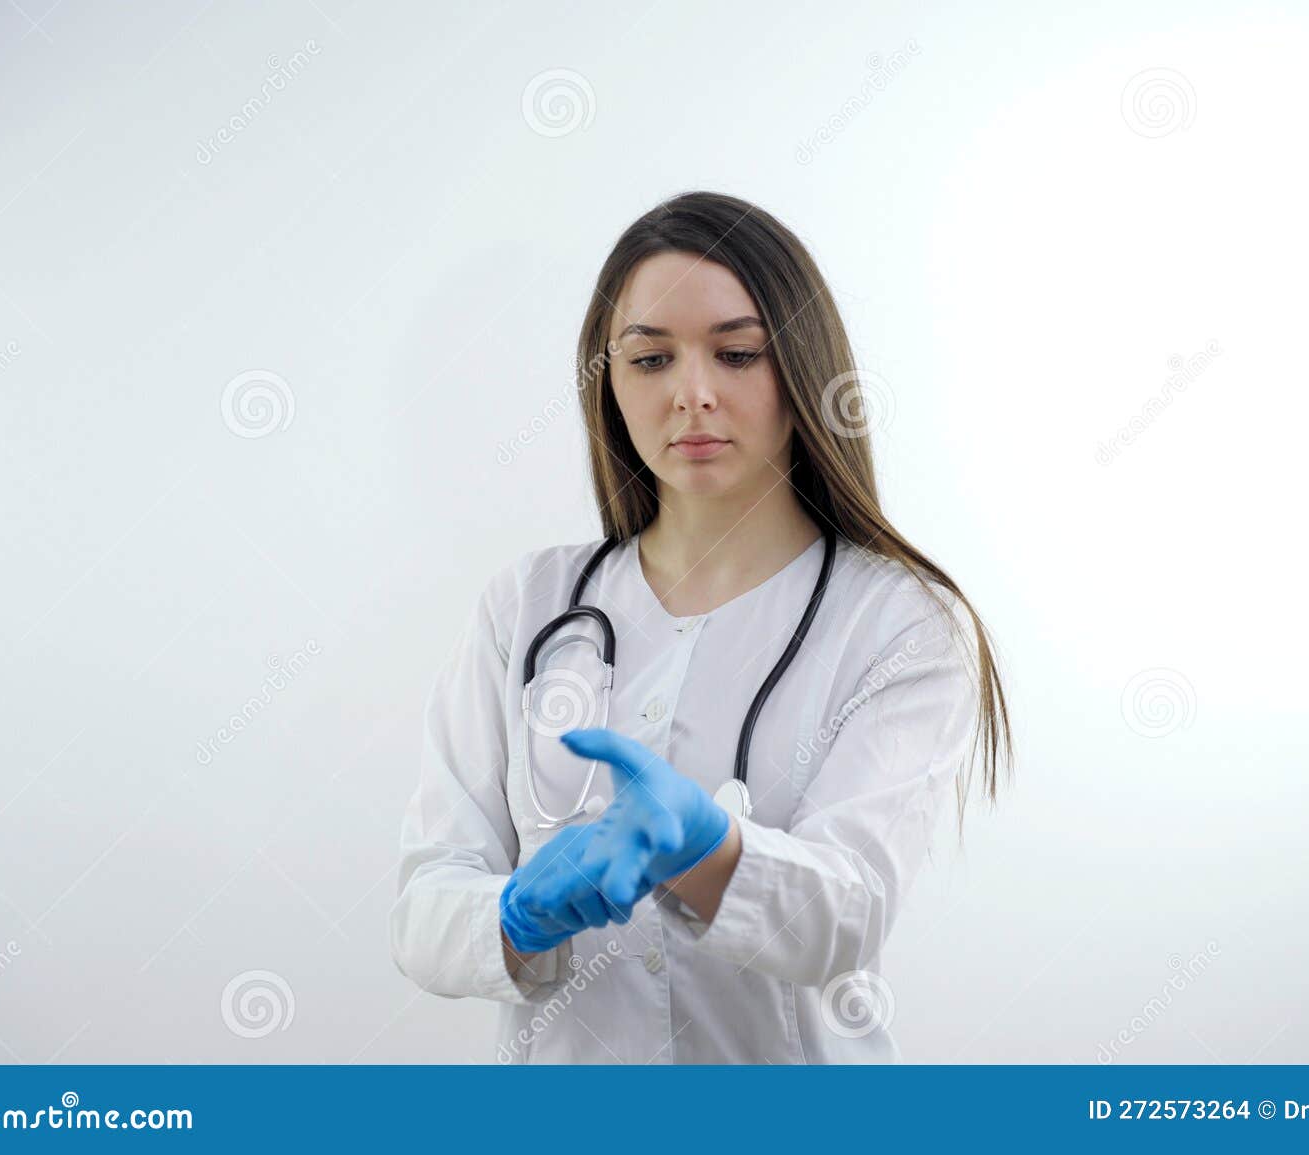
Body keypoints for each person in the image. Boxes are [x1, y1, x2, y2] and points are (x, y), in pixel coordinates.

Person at [389, 190, 1012, 1063]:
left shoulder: (899, 623)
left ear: (799, 366)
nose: (692, 394)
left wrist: (710, 850)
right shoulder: (527, 606)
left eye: (737, 353)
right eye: (650, 360)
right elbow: (423, 904)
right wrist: (515, 914)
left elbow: (848, 915)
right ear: (607, 382)